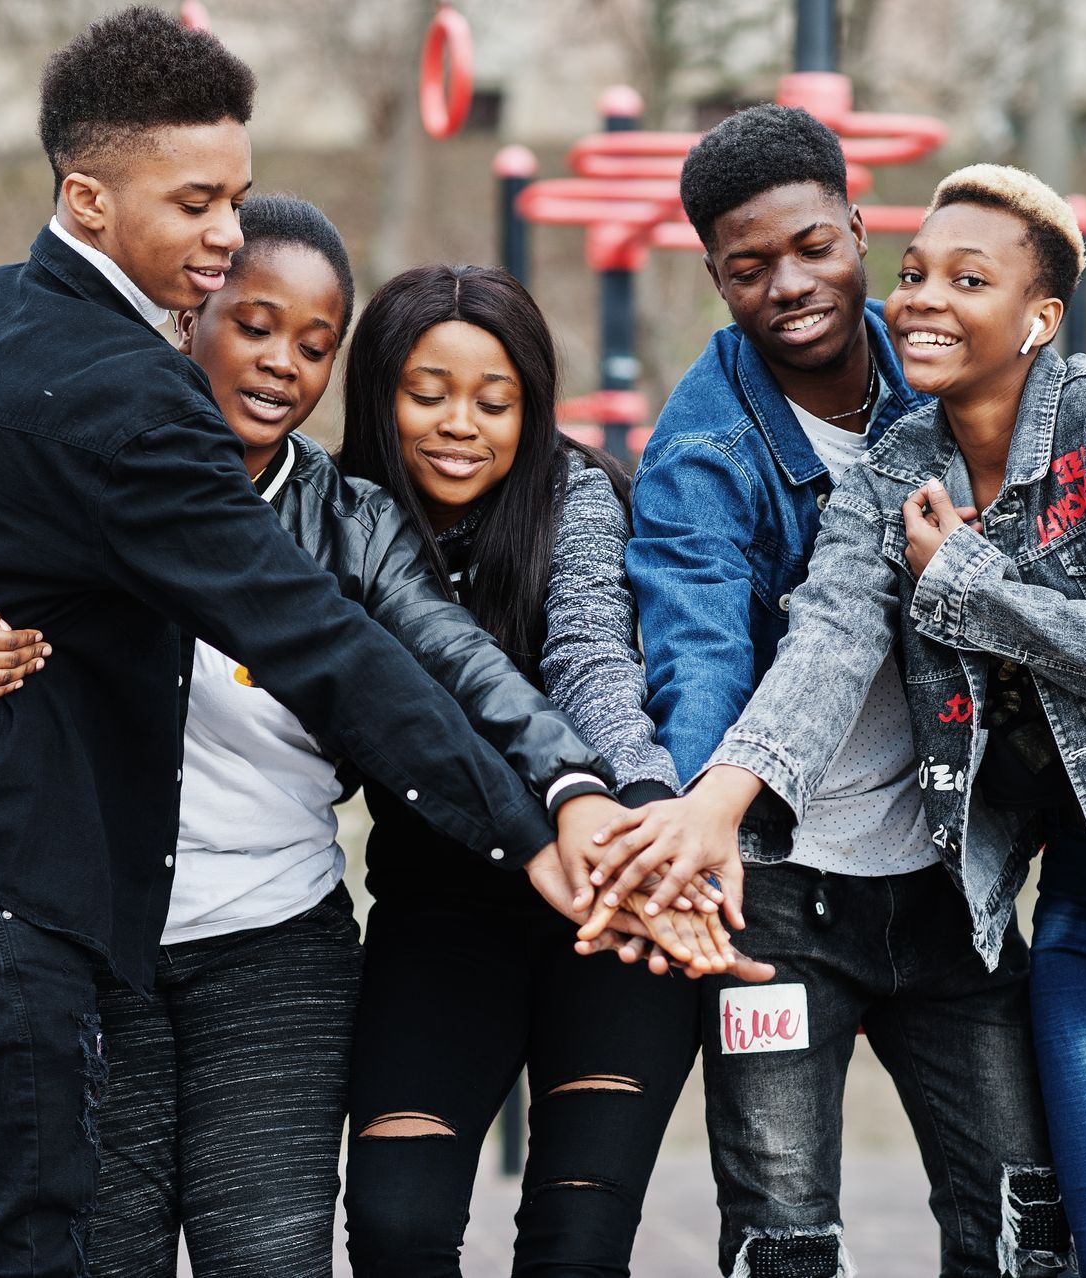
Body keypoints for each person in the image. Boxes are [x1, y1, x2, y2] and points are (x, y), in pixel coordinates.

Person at [0, 14, 632, 1275]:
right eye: (196, 204)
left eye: (235, 195)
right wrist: (524, 829)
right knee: (18, 1246)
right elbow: (314, 639)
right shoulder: (140, 406)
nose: (228, 233)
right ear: (88, 195)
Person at [593, 162, 1086, 1278]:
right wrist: (717, 799)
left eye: (967, 278)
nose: (922, 300)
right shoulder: (894, 470)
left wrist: (970, 582)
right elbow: (830, 639)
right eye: (914, 274)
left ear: (1037, 316)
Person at [583, 106, 1073, 1278]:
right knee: (784, 1240)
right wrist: (709, 820)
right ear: (714, 276)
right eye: (749, 269)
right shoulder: (703, 457)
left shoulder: (948, 366)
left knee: (1023, 1226)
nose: (790, 284)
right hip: (785, 897)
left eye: (814, 247)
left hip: (952, 877)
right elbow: (698, 651)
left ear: (859, 229)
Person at [335, 263, 769, 1278]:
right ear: (376, 393)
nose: (461, 425)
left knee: (577, 1249)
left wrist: (649, 812)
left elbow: (591, 661)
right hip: (438, 914)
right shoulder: (338, 519)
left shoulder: (576, 495)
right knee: (396, 1232)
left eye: (496, 401)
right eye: (427, 393)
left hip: (615, 907)